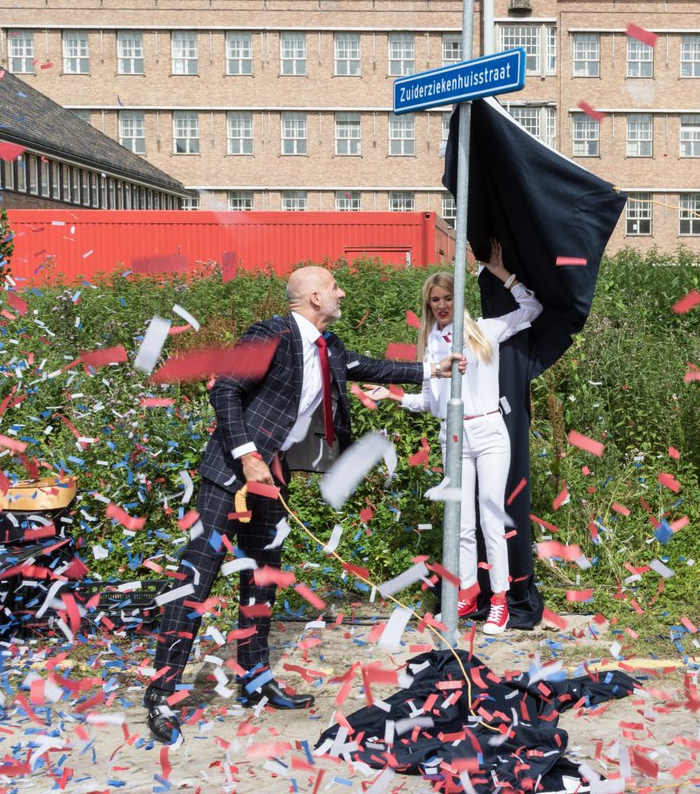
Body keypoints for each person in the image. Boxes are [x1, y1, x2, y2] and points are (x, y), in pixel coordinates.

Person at [145, 265, 464, 745]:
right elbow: (225, 389)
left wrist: (430, 370)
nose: (342, 293)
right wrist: (247, 455)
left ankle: (255, 679)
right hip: (229, 475)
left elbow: (366, 367)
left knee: (262, 579)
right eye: (335, 287)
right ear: (315, 297)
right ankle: (161, 693)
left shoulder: (328, 346)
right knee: (196, 580)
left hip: (272, 479)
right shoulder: (270, 334)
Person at [365, 238, 541, 634]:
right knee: (460, 523)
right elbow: (430, 403)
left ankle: (500, 600)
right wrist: (392, 395)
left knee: (491, 520)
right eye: (435, 301)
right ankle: (469, 592)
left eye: (447, 298)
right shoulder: (431, 345)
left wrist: (502, 274)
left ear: (457, 299)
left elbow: (532, 309)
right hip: (454, 436)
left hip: (490, 432)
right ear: (428, 306)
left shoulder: (486, 331)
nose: (442, 305)